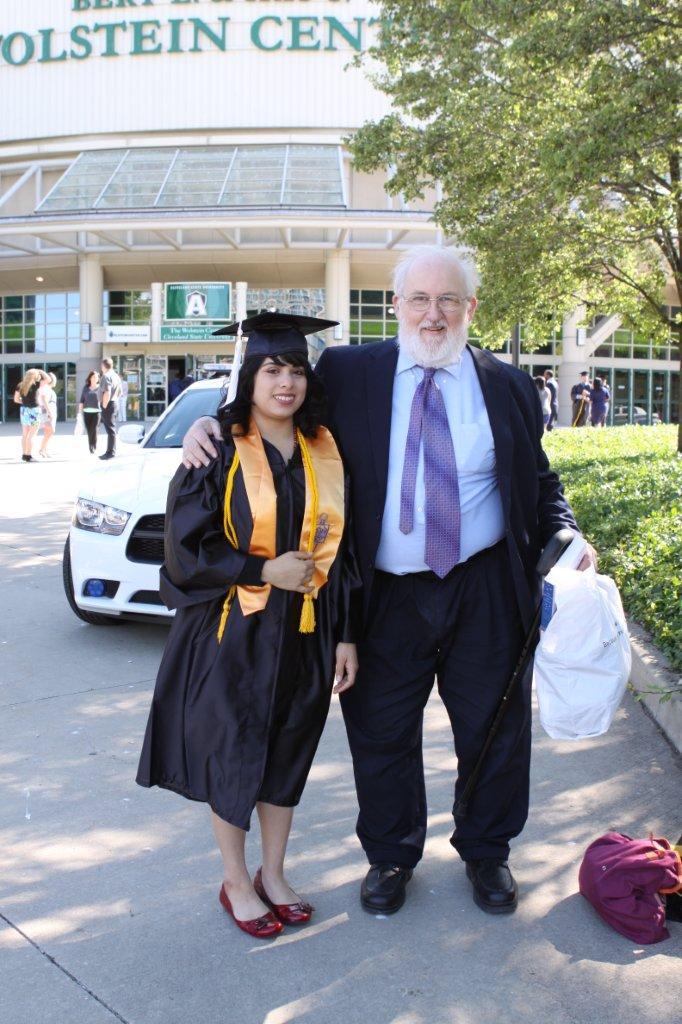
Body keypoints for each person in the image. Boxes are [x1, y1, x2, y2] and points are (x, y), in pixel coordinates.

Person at [182, 245, 597, 917]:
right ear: (396, 305)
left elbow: (540, 482)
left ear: (471, 308)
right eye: (421, 300)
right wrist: (212, 423)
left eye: (449, 301)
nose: (434, 316)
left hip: (484, 585)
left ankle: (488, 853)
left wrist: (568, 534)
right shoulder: (349, 373)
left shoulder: (511, 388)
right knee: (381, 730)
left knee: (493, 727)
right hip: (380, 592)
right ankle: (391, 856)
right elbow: (271, 403)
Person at [136, 312, 361, 940]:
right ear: (249, 376)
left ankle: (275, 872)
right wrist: (261, 569)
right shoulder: (216, 448)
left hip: (309, 630)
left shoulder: (324, 448)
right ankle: (236, 880)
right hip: (235, 631)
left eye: (294, 369)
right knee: (235, 751)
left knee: (290, 748)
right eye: (271, 369)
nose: (284, 383)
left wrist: (345, 633)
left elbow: (346, 553)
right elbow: (184, 549)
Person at [13, 368, 45, 463]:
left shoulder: (20, 385)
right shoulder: (36, 384)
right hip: (34, 411)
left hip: (24, 410)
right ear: (34, 376)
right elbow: (48, 380)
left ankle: (24, 454)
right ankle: (29, 456)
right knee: (32, 435)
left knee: (25, 434)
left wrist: (23, 401)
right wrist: (40, 371)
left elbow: (16, 399)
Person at [98, 357, 122, 460]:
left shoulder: (106, 376)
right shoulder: (116, 376)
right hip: (114, 403)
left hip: (108, 404)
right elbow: (120, 392)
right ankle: (110, 451)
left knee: (110, 429)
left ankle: (111, 452)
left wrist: (104, 405)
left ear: (103, 366)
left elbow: (107, 392)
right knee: (111, 429)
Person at [79, 370, 101, 454]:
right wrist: (79, 413)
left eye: (96, 377)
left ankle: (94, 445)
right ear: (90, 378)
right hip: (86, 412)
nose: (95, 378)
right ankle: (90, 445)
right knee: (89, 430)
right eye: (93, 377)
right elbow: (82, 400)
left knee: (94, 429)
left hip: (96, 412)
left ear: (98, 379)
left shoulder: (100, 388)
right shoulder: (86, 388)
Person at [38, 372, 58, 459]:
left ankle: (44, 450)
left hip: (51, 411)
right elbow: (44, 400)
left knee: (48, 432)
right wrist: (49, 412)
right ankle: (42, 449)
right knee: (51, 431)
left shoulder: (49, 389)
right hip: (47, 411)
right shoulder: (46, 389)